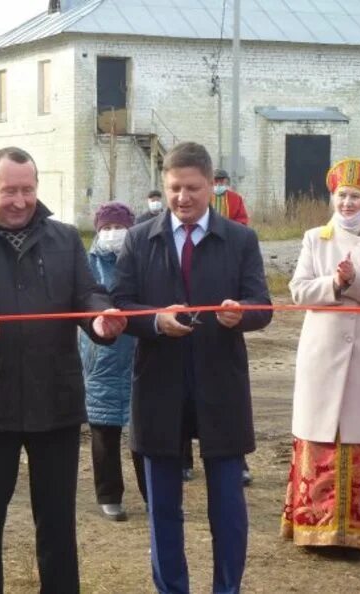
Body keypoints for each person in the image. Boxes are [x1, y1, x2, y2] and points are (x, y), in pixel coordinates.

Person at [0, 146, 124, 594]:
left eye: (28, 190)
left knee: (58, 518)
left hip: (54, 396)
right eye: (9, 190)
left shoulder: (62, 237)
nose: (20, 200)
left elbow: (88, 293)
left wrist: (99, 318)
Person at [112, 141, 273, 594]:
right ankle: (172, 588)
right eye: (174, 188)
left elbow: (263, 305)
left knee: (227, 503)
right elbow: (120, 305)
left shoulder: (240, 239)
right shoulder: (140, 238)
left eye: (193, 189)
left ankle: (227, 587)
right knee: (162, 506)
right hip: (158, 383)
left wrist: (241, 313)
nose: (183, 198)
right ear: (164, 187)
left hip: (220, 381)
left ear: (212, 188)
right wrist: (155, 321)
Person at [281, 158, 360, 551]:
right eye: (341, 196)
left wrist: (356, 280)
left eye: (355, 197)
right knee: (320, 432)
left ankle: (356, 531)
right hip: (323, 349)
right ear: (332, 198)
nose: (347, 203)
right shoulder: (315, 237)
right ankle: (313, 526)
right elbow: (298, 291)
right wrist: (334, 282)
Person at [81, 201, 146, 521]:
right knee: (104, 429)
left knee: (143, 430)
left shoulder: (142, 256)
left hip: (139, 352)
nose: (113, 234)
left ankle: (152, 494)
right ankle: (109, 495)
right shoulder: (87, 262)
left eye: (119, 227)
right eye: (107, 228)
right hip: (100, 355)